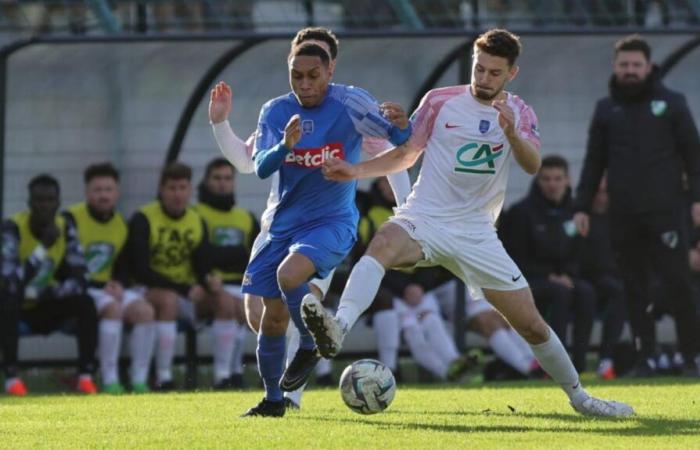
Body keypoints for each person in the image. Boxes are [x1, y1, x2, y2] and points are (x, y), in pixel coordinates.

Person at [305, 28, 634, 417]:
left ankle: (582, 397)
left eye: (495, 73)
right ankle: (338, 326)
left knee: (530, 325)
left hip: (477, 233)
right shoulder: (440, 101)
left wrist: (511, 132)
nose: (484, 78)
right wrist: (354, 170)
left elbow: (532, 165)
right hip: (425, 216)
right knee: (383, 243)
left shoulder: (521, 112)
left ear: (511, 73)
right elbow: (406, 155)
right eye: (480, 69)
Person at [209, 26, 413, 409]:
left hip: (330, 224)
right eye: (296, 73)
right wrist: (222, 124)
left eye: (313, 72)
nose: (304, 82)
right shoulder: (278, 112)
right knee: (265, 320)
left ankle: (300, 379)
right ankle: (274, 398)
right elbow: (252, 165)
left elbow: (397, 151)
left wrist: (405, 211)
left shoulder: (352, 106)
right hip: (279, 226)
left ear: (330, 68)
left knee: (292, 285)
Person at [573, 34, 700, 377]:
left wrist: (698, 199)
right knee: (633, 287)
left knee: (678, 283)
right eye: (624, 65)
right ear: (615, 67)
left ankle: (692, 358)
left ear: (648, 67)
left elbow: (693, 154)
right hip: (624, 214)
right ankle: (645, 360)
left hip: (667, 210)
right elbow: (594, 160)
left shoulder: (672, 102)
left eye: (636, 65)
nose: (630, 71)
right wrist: (582, 205)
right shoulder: (606, 108)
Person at [1, 174, 98, 395]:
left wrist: (49, 292)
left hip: (46, 300)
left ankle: (85, 377)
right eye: (39, 200)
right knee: (8, 301)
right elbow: (11, 282)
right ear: (29, 204)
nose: (44, 206)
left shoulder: (66, 227)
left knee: (85, 302)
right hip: (18, 307)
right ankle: (12, 379)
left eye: (50, 200)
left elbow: (82, 278)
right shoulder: (12, 228)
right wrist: (42, 247)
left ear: (58, 203)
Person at [64, 163, 156, 394]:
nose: (103, 195)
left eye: (108, 189)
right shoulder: (70, 219)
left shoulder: (121, 225)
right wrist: (103, 286)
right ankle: (110, 379)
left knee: (145, 311)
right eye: (97, 190)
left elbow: (123, 264)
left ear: (117, 193)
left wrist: (119, 283)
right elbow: (64, 264)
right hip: (80, 290)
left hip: (106, 289)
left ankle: (139, 381)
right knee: (113, 309)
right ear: (87, 192)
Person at [127, 162, 220, 391]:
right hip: (147, 290)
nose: (177, 194)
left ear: (190, 190)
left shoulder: (196, 220)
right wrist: (184, 289)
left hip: (186, 292)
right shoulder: (144, 218)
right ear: (161, 190)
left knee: (227, 303)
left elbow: (202, 262)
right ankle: (163, 378)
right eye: (172, 188)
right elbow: (140, 270)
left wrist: (209, 280)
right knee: (168, 300)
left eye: (182, 188)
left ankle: (226, 377)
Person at [501, 155, 596, 373]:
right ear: (538, 180)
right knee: (560, 294)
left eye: (557, 179)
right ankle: (556, 367)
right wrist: (548, 275)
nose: (552, 184)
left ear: (567, 180)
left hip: (565, 278)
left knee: (586, 293)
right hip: (532, 281)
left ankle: (579, 366)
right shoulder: (522, 213)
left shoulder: (575, 213)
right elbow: (515, 258)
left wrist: (568, 274)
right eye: (546, 179)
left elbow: (582, 253)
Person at [193, 157, 258, 388]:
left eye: (228, 178)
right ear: (207, 181)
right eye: (217, 178)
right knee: (227, 304)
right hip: (209, 286)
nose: (222, 183)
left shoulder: (247, 218)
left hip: (241, 285)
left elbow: (254, 256)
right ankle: (222, 376)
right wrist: (235, 254)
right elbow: (201, 255)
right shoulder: (195, 214)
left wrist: (223, 254)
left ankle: (237, 372)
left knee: (253, 307)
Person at [577, 177, 627, 380]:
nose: (601, 197)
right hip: (583, 278)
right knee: (587, 294)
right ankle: (578, 364)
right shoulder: (580, 218)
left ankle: (607, 360)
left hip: (611, 280)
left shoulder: (619, 221)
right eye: (597, 191)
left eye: (605, 192)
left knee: (622, 292)